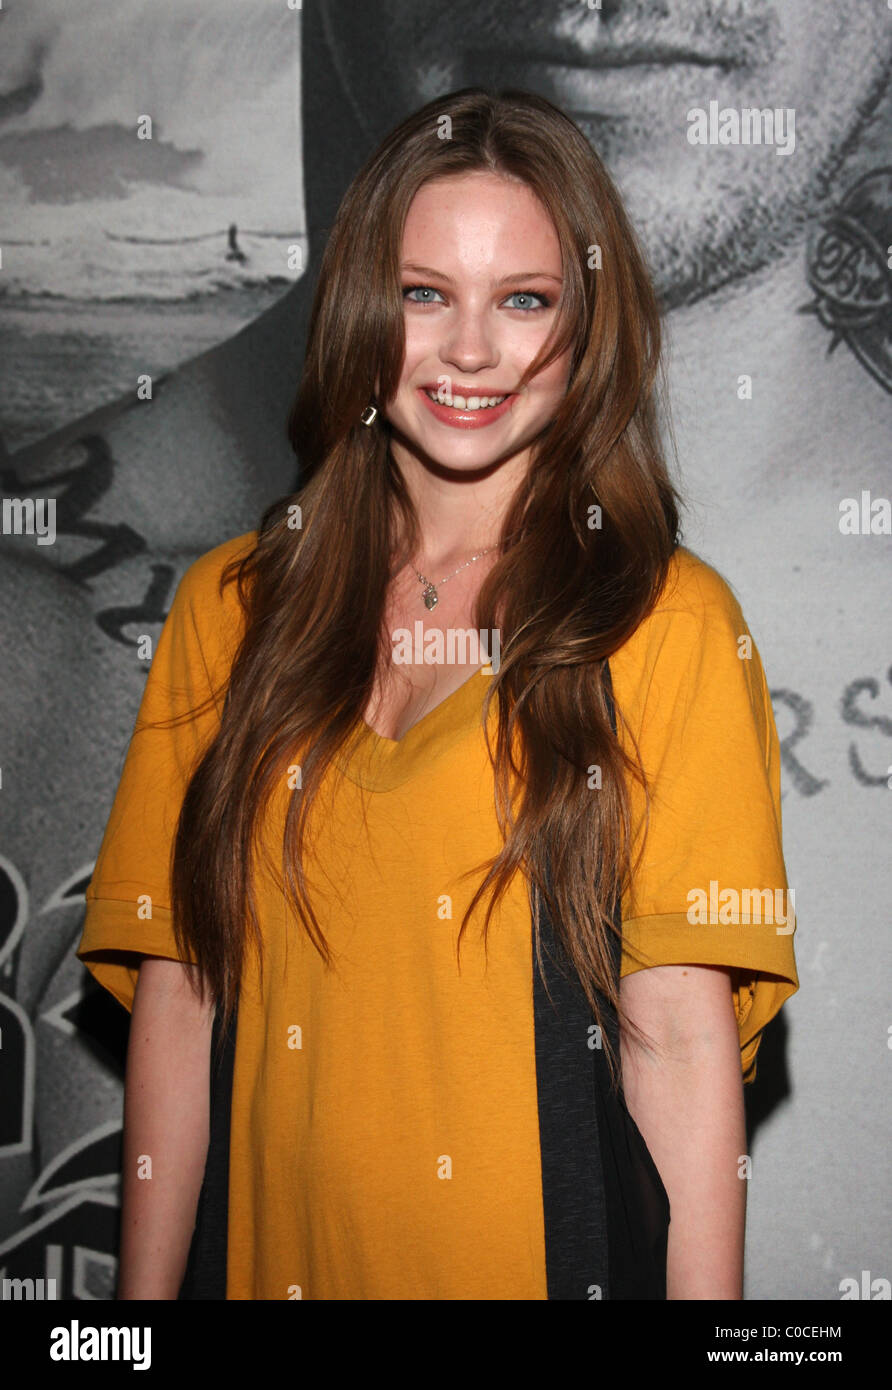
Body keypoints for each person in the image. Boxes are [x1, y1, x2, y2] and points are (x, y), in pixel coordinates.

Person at [75, 88, 797, 1301]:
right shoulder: (227, 610)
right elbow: (177, 1001)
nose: (470, 351)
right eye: (424, 295)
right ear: (362, 313)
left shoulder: (667, 624)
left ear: (585, 326)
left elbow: (675, 1040)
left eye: (524, 300)